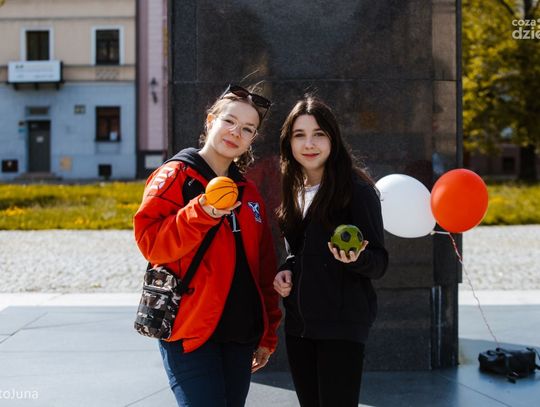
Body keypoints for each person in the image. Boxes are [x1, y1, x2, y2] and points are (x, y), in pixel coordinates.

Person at [133, 84, 281, 407]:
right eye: (229, 121)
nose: (236, 132)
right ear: (211, 120)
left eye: (247, 129)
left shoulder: (249, 192)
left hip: (240, 334)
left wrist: (267, 333)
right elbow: (151, 244)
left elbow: (263, 268)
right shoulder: (175, 175)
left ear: (252, 139)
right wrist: (201, 212)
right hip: (190, 332)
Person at [273, 96, 388, 407]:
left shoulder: (357, 191)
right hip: (299, 326)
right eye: (299, 135)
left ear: (333, 139)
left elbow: (379, 262)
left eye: (319, 134)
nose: (309, 144)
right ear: (289, 142)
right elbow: (298, 252)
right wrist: (285, 270)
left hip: (341, 327)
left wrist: (357, 259)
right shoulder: (294, 189)